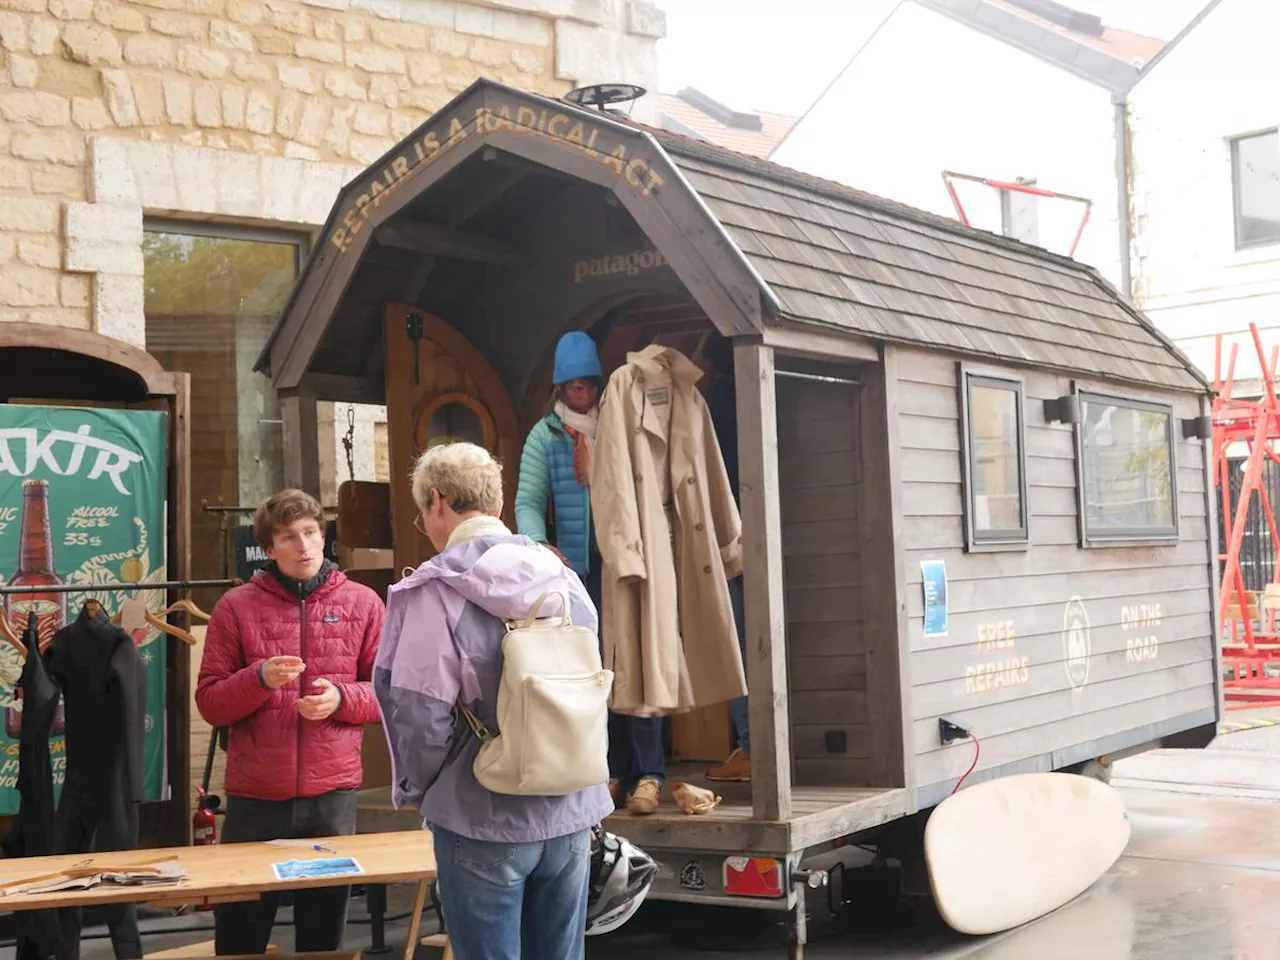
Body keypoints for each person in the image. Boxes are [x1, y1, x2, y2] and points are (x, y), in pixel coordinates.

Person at [374, 441, 613, 960]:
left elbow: (419, 713)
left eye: (423, 514)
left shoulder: (435, 591)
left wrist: (426, 790)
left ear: (436, 501)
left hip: (479, 807)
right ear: (500, 504)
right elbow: (590, 684)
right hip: (570, 806)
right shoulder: (564, 579)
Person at [195, 489, 386, 956]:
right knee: (240, 936)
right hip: (255, 797)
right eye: (288, 536)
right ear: (269, 548)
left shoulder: (364, 603)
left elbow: (390, 694)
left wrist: (342, 698)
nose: (302, 545)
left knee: (322, 939)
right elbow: (211, 703)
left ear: (324, 537)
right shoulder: (235, 607)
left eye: (310, 532)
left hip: (332, 798)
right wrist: (258, 678)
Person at [515, 330, 667, 815]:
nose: (581, 393)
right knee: (596, 673)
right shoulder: (546, 434)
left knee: (637, 667)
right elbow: (528, 500)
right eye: (572, 386)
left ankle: (651, 774)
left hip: (628, 561)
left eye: (588, 384)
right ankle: (612, 771)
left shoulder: (620, 420)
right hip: (578, 571)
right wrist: (541, 547)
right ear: (559, 387)